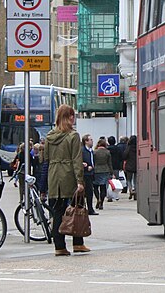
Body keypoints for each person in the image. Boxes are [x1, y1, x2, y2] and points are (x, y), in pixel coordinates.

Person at [43, 104, 89, 256]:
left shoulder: (49, 136)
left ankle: (59, 246)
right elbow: (76, 159)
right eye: (72, 116)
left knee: (58, 212)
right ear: (69, 117)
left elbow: (46, 158)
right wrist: (80, 181)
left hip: (54, 176)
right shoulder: (73, 136)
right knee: (77, 207)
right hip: (68, 175)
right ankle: (78, 243)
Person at [81, 134, 98, 215]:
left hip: (91, 174)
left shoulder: (91, 151)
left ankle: (90, 209)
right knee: (84, 192)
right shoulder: (82, 151)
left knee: (90, 192)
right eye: (90, 140)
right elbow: (78, 161)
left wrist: (93, 166)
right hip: (85, 174)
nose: (92, 141)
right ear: (86, 141)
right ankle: (83, 208)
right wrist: (84, 165)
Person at [93, 138, 112, 208]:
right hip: (105, 170)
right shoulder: (107, 152)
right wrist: (111, 172)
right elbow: (109, 163)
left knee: (95, 187)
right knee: (103, 187)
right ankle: (102, 202)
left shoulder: (94, 152)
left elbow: (93, 162)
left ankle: (98, 199)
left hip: (96, 170)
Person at [123, 135, 137, 200]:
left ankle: (131, 190)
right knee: (136, 180)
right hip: (137, 165)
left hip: (129, 166)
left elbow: (125, 156)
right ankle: (136, 191)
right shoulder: (138, 147)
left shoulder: (128, 147)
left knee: (129, 179)